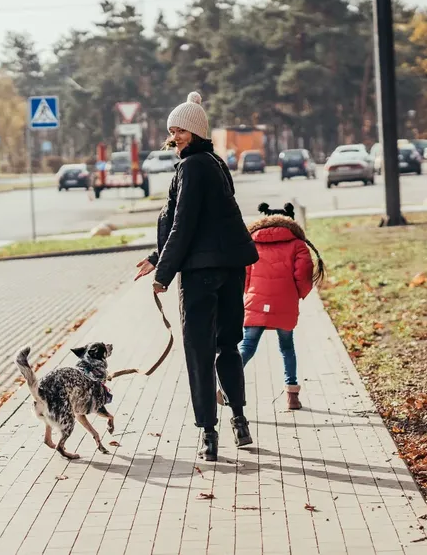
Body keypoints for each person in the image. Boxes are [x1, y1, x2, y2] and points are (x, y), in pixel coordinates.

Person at [134, 91, 259, 462]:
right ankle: (239, 420)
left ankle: (208, 434)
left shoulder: (190, 167)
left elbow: (183, 223)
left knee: (199, 353)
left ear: (197, 131)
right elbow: (201, 222)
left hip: (201, 274)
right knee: (228, 346)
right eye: (173, 131)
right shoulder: (216, 163)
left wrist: (164, 273)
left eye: (181, 131)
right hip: (231, 267)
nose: (175, 137)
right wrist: (157, 257)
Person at [225, 201, 325, 410]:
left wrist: (249, 293)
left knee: (247, 346)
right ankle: (292, 397)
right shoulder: (297, 244)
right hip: (285, 301)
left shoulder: (252, 242)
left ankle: (226, 383)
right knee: (287, 347)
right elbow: (304, 274)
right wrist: (297, 294)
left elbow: (244, 274)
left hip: (256, 300)